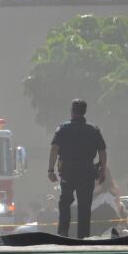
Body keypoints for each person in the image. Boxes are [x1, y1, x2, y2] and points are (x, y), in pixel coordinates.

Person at [47, 99, 107, 238]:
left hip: (68, 171)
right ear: (85, 111)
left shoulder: (62, 128)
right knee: (85, 205)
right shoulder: (94, 129)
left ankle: (63, 232)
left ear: (72, 111)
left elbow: (54, 149)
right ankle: (83, 236)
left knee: (65, 202)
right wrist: (102, 170)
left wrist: (50, 170)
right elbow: (102, 152)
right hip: (87, 171)